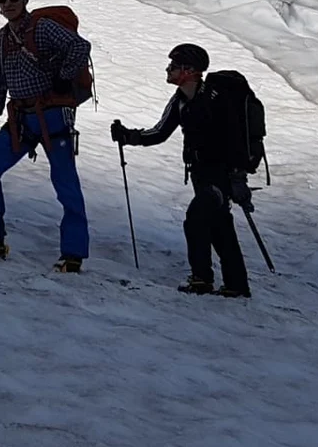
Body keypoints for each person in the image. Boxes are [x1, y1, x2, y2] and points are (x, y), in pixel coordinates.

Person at [0, 0, 91, 272]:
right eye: (2, 0)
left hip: (53, 116)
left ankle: (73, 253)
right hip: (21, 118)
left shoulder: (42, 28)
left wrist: (62, 76)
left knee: (65, 182)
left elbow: (80, 47)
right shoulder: (2, 39)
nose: (8, 4)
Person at [109, 44, 263, 298]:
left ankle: (202, 279)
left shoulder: (216, 98)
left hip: (220, 174)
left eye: (173, 66)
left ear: (189, 71)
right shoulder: (181, 99)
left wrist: (237, 177)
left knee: (197, 219)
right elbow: (160, 132)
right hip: (199, 172)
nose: (168, 70)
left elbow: (235, 138)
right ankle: (236, 284)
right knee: (219, 225)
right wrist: (128, 136)